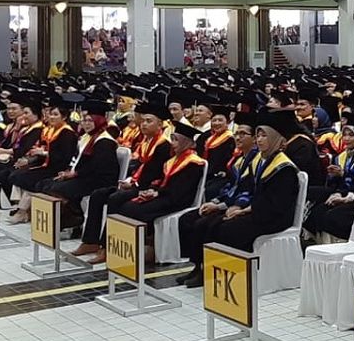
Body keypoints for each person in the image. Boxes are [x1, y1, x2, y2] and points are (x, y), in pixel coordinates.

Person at [177, 111, 302, 288]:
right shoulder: (261, 160)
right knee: (209, 223)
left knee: (226, 228)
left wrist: (245, 210)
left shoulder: (284, 167)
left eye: (264, 136)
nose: (259, 140)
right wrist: (234, 206)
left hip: (275, 217)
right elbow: (248, 188)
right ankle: (202, 267)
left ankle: (231, 275)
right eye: (258, 135)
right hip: (258, 210)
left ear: (275, 138)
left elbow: (277, 204)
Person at [72, 101, 172, 262]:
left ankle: (107, 247)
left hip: (147, 188)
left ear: (160, 124)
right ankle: (90, 241)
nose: (144, 124)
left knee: (115, 199)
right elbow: (137, 169)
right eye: (144, 120)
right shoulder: (145, 142)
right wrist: (128, 180)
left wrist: (134, 184)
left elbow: (156, 174)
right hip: (134, 183)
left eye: (149, 121)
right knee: (98, 195)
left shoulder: (163, 146)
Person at [106, 122, 207, 261]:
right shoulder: (173, 160)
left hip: (178, 200)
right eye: (173, 139)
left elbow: (181, 190)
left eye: (177, 140)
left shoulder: (193, 163)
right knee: (127, 205)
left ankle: (137, 248)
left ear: (187, 142)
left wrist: (158, 193)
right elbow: (161, 181)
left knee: (132, 209)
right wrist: (151, 190)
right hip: (165, 195)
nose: (173, 143)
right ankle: (124, 247)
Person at [37, 99, 120, 233]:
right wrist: (68, 171)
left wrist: (75, 174)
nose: (85, 124)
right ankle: (70, 216)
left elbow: (97, 166)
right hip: (84, 175)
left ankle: (73, 217)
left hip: (99, 180)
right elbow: (76, 158)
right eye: (84, 120)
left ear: (99, 121)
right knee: (44, 184)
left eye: (89, 121)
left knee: (57, 188)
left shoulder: (105, 141)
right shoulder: (86, 137)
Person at [8, 99, 79, 224]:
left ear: (64, 117)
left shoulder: (67, 133)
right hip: (44, 163)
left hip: (58, 166)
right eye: (50, 114)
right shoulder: (49, 130)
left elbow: (66, 156)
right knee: (18, 173)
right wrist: (30, 157)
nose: (52, 117)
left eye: (56, 114)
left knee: (29, 178)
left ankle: (22, 211)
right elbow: (41, 147)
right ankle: (20, 207)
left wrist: (45, 153)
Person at [197, 107, 236, 199]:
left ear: (227, 123)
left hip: (221, 176)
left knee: (210, 190)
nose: (217, 123)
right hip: (206, 173)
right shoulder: (207, 138)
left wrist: (224, 172)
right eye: (214, 120)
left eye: (220, 120)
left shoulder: (231, 139)